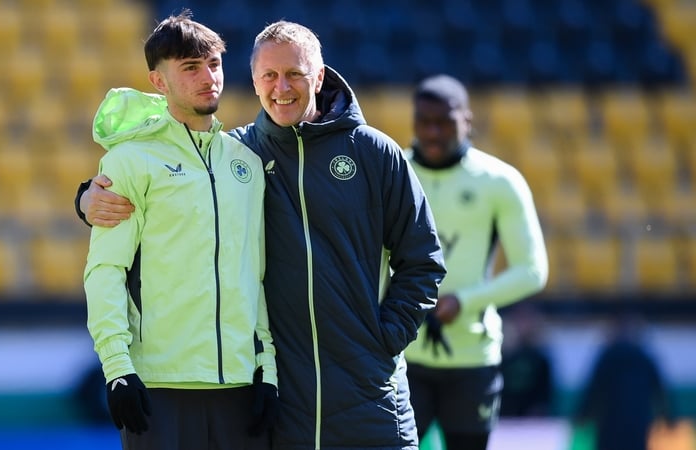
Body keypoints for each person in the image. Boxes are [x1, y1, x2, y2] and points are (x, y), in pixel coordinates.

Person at [77, 20, 447, 450]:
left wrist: (385, 338)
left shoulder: (373, 153)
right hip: (283, 402)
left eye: (294, 74)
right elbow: (174, 176)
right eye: (269, 75)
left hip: (368, 393)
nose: (281, 87)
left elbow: (422, 259)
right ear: (254, 82)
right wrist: (87, 197)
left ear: (320, 76)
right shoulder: (245, 154)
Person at [81, 12, 277, 450]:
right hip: (157, 388)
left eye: (214, 64)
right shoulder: (129, 162)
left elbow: (256, 273)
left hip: (243, 386)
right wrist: (117, 369)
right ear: (158, 81)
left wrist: (269, 366)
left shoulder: (245, 162)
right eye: (190, 67)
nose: (208, 77)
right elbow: (105, 272)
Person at [401, 74, 549, 450]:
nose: (433, 133)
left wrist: (464, 301)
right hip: (401, 357)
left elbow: (533, 270)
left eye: (444, 122)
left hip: (472, 358)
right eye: (424, 122)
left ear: (467, 120)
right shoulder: (394, 174)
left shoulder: (499, 181)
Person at [570, 314, 674, 450]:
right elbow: (660, 391)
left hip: (609, 422)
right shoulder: (643, 357)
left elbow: (593, 391)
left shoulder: (608, 357)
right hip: (637, 421)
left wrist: (582, 417)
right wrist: (668, 417)